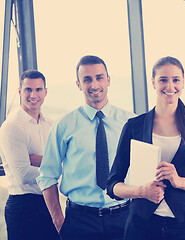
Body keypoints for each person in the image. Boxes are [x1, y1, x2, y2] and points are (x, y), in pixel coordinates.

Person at [107, 56, 185, 240]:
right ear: (153, 82)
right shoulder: (134, 126)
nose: (170, 86)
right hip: (141, 226)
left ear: (183, 82)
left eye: (176, 80)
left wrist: (180, 181)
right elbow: (113, 185)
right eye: (163, 80)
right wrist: (140, 192)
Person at [36, 55, 135, 240]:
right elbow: (47, 176)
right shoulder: (64, 125)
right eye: (87, 79)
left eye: (99, 77)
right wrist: (59, 221)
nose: (94, 84)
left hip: (124, 217)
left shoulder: (130, 122)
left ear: (108, 80)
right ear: (79, 84)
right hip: (80, 222)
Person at [0, 70, 58, 240]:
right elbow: (23, 175)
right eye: (28, 90)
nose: (33, 95)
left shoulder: (51, 125)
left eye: (38, 90)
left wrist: (43, 162)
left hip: (49, 203)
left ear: (45, 92)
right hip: (23, 207)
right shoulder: (12, 126)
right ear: (20, 91)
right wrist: (54, 165)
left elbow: (63, 159)